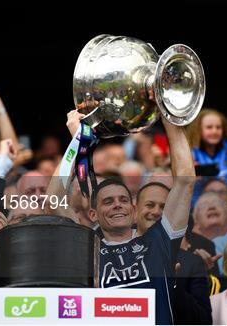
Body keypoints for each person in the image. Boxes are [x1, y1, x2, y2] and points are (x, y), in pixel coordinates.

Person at [46, 110, 195, 325]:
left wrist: (168, 115)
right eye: (108, 202)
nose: (117, 205)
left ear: (133, 210)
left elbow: (185, 180)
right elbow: (53, 200)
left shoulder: (159, 240)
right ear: (93, 214)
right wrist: (78, 139)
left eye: (123, 200)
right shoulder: (86, 246)